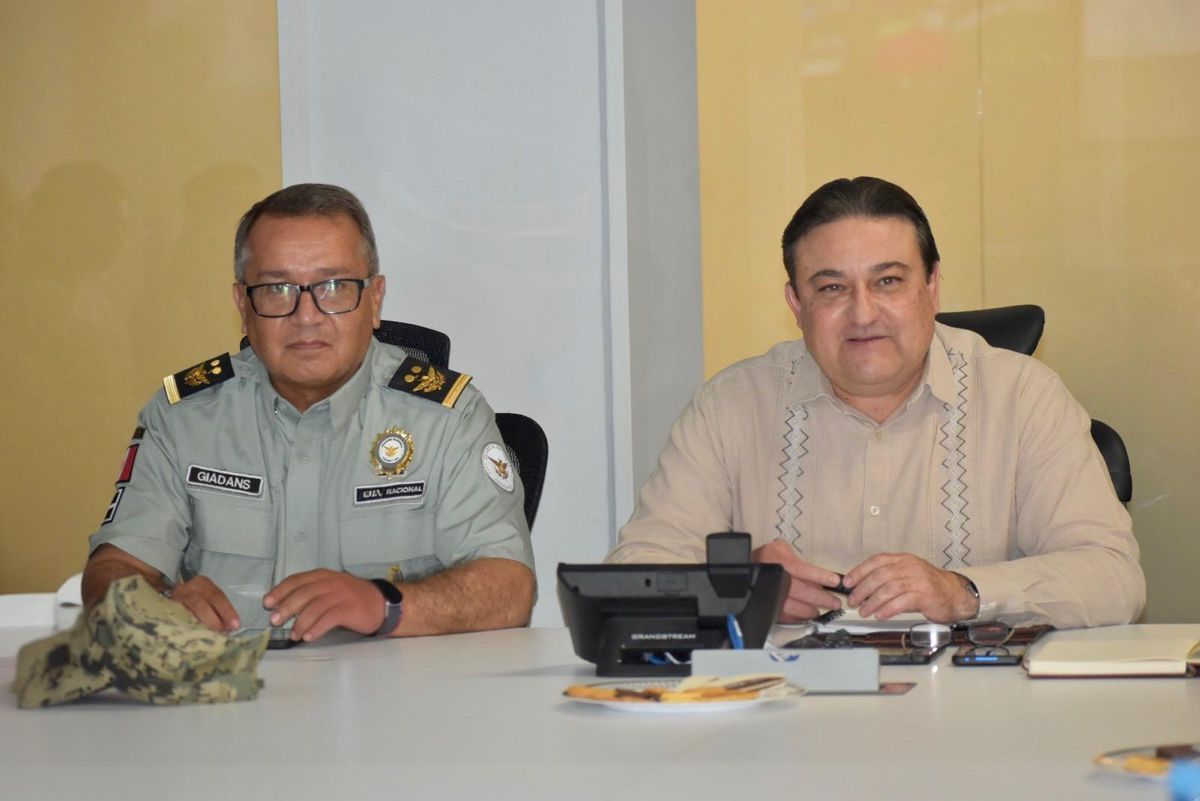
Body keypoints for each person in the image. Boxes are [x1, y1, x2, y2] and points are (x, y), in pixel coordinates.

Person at [608, 176, 1143, 628]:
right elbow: (633, 576)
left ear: (932, 286)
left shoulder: (1022, 396)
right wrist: (738, 589)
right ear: (796, 303)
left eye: (888, 281)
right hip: (790, 705)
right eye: (832, 288)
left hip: (978, 704)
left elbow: (1114, 578)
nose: (863, 314)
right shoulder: (731, 406)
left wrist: (963, 592)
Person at [83, 183, 535, 642]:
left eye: (334, 287)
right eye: (276, 289)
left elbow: (510, 588)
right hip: (230, 680)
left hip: (390, 683)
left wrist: (386, 605)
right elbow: (114, 568)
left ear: (375, 299)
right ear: (243, 306)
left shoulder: (448, 420)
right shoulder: (184, 417)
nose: (306, 316)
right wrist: (154, 604)